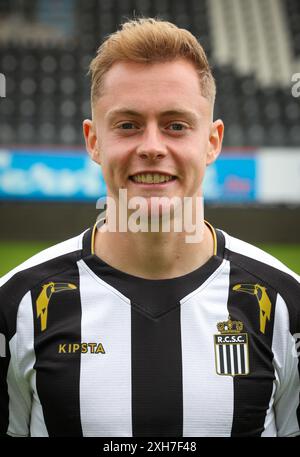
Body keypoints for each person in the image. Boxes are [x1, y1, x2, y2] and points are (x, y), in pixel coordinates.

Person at [0, 17, 299, 438]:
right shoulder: (16, 306)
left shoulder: (287, 305)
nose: (152, 147)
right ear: (93, 141)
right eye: (128, 125)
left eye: (176, 125)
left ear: (212, 142)